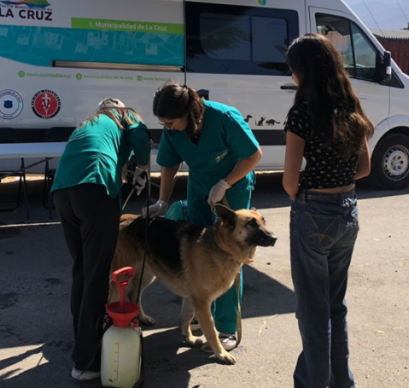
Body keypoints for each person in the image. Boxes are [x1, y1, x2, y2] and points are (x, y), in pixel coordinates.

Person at [281, 33, 373, 388]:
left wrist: (309, 185)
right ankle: (341, 382)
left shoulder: (302, 113)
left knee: (313, 310)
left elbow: (289, 182)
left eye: (293, 70)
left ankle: (313, 382)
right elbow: (363, 169)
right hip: (349, 212)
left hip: (313, 213)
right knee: (335, 305)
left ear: (302, 71)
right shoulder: (351, 107)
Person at [145, 81, 262, 351]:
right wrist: (162, 201)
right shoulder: (173, 130)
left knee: (231, 258)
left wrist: (225, 183)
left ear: (189, 112)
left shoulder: (223, 117)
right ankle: (200, 315)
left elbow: (254, 155)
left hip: (233, 187)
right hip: (199, 188)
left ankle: (227, 326)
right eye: (164, 124)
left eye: (171, 122)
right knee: (198, 256)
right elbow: (169, 163)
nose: (168, 128)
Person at [51, 98, 151, 382]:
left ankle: (82, 343)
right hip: (94, 187)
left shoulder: (90, 124)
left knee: (83, 268)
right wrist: (144, 167)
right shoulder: (125, 115)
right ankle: (88, 361)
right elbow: (141, 137)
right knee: (97, 274)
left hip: (62, 192)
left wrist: (129, 175)